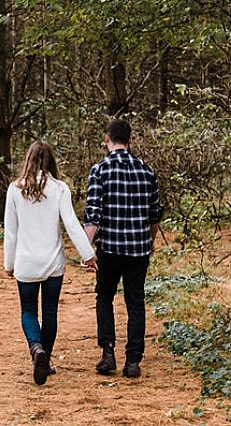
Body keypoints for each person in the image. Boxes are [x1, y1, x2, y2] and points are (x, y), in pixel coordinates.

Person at [4, 140, 96, 386]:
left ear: (28, 160)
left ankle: (36, 350)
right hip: (53, 263)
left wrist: (8, 263)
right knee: (50, 312)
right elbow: (72, 224)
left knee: (28, 310)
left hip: (26, 262)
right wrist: (88, 254)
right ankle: (46, 358)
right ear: (51, 161)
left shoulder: (15, 189)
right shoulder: (60, 189)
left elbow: (10, 232)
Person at [84, 118, 163, 379]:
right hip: (138, 249)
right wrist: (150, 241)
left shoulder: (100, 171)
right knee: (135, 301)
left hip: (109, 248)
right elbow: (154, 215)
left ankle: (108, 353)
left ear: (107, 138)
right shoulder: (147, 171)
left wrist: (86, 250)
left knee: (104, 296)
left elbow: (93, 215)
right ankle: (133, 361)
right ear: (129, 140)